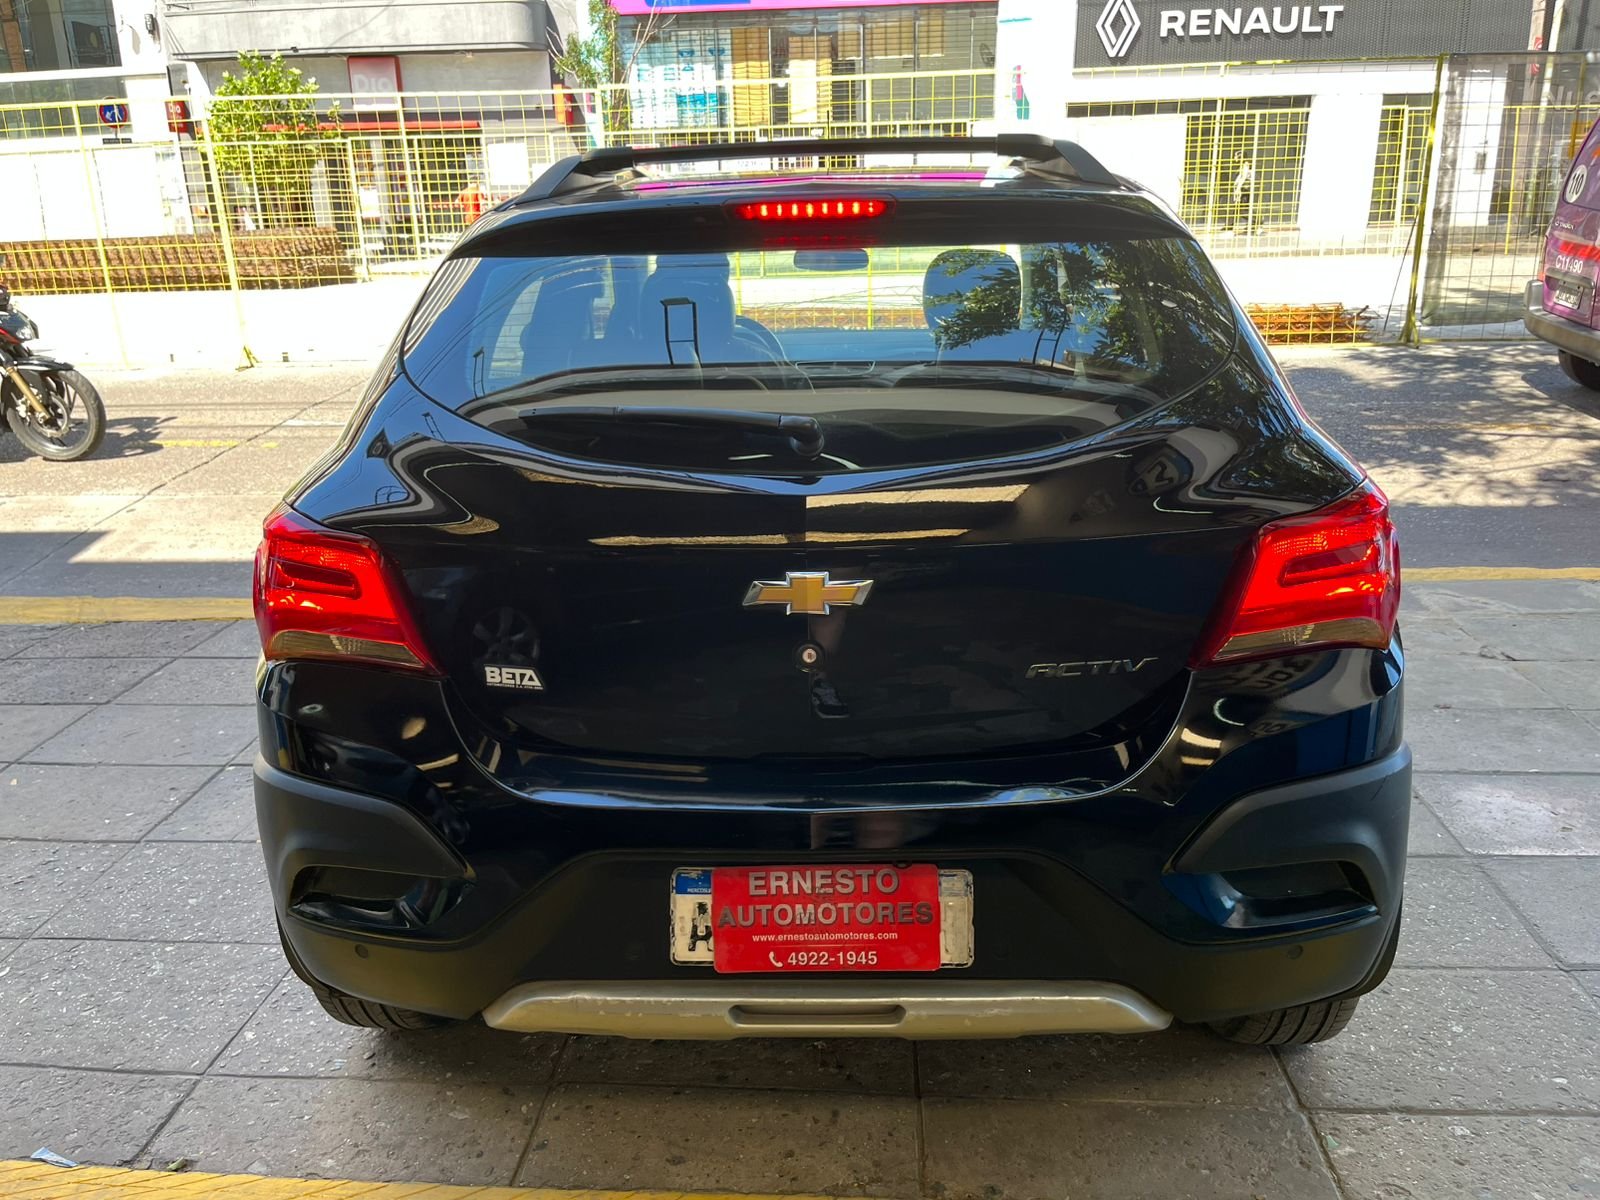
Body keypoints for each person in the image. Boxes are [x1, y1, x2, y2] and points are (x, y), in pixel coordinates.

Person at [1225, 152, 1255, 232]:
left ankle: (1255, 221)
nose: (1235, 158)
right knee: (1236, 208)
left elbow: (1244, 177)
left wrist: (1238, 188)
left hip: (1243, 189)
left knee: (1241, 209)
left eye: (1236, 156)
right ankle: (1229, 225)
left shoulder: (1246, 165)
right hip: (1242, 189)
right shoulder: (1243, 165)